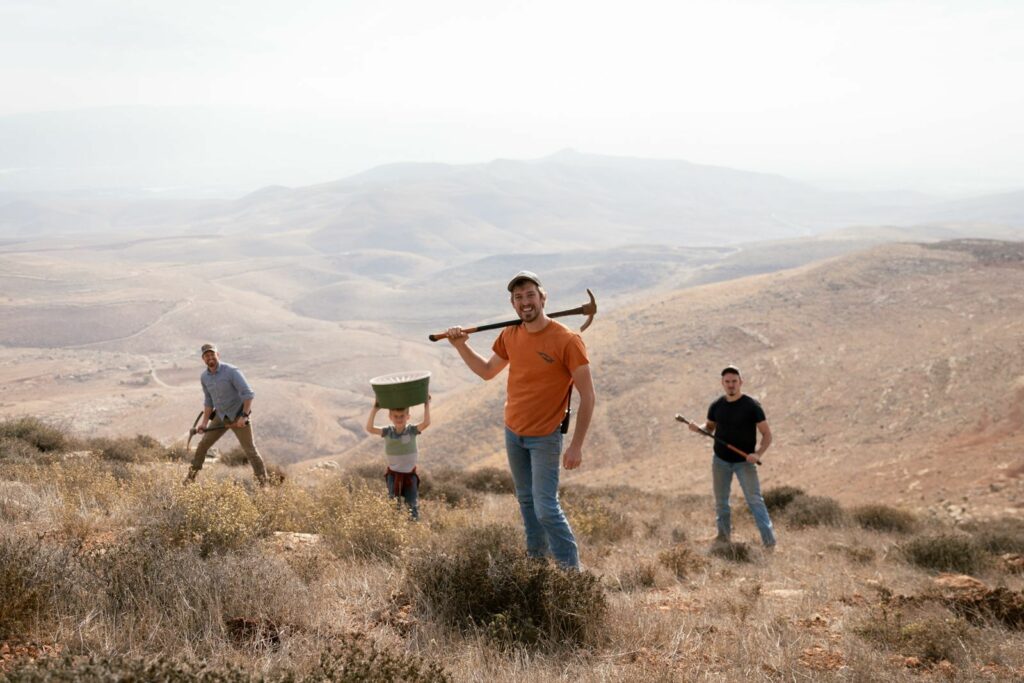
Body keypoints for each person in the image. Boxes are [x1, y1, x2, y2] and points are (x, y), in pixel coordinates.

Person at [444, 271, 595, 569]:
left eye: (530, 295)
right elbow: (487, 371)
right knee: (526, 502)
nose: (525, 302)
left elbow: (588, 396)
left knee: (547, 509)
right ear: (513, 304)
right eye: (518, 297)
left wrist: (576, 445)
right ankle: (536, 566)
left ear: (542, 298)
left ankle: (573, 579)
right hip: (513, 431)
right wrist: (460, 345)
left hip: (546, 437)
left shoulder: (567, 340)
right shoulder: (510, 335)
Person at [689, 365, 776, 550]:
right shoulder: (716, 406)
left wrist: (757, 454)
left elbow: (767, 435)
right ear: (722, 383)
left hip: (744, 462)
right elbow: (710, 428)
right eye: (727, 382)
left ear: (741, 382)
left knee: (754, 501)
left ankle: (769, 543)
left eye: (734, 381)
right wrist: (699, 429)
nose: (731, 385)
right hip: (720, 461)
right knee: (721, 502)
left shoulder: (752, 406)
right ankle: (723, 539)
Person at [184, 343, 268, 485]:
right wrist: (204, 423)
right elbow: (209, 401)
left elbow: (248, 394)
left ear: (218, 355)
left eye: (212, 354)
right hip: (221, 416)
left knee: (250, 451)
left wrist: (245, 416)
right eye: (206, 355)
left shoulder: (231, 371)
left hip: (238, 416)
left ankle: (263, 484)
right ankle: (190, 479)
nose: (209, 357)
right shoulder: (204, 377)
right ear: (203, 359)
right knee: (203, 445)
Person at [365, 397, 431, 520]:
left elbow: (426, 423)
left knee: (412, 506)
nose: (399, 419)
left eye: (402, 416)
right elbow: (369, 428)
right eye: (396, 416)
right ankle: (395, 530)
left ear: (408, 417)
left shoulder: (412, 430)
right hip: (393, 476)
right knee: (393, 506)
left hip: (410, 476)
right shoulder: (387, 432)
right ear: (390, 417)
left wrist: (426, 405)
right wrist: (375, 409)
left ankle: (414, 530)